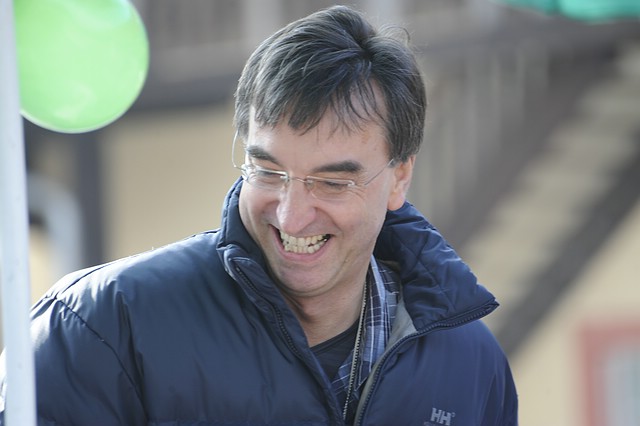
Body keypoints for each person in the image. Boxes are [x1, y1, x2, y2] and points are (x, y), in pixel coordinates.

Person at [0, 5, 517, 425]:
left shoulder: (472, 366)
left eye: (332, 182)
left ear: (400, 177)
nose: (291, 217)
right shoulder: (100, 329)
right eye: (268, 171)